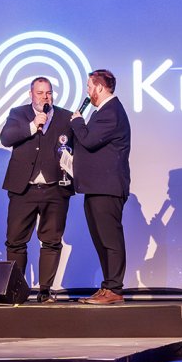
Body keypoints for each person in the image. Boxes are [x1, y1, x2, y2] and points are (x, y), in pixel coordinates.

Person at [0, 77, 74, 303]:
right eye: (40, 93)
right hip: (24, 188)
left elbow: (78, 148)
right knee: (16, 240)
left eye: (48, 93)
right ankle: (17, 290)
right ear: (31, 94)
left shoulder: (66, 116)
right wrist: (33, 125)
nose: (45, 97)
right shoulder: (18, 113)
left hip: (55, 189)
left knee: (51, 241)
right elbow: (6, 138)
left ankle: (45, 290)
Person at [70, 69, 132, 305]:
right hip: (96, 187)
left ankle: (114, 288)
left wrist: (77, 121)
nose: (87, 92)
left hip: (107, 187)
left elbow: (89, 140)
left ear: (99, 87)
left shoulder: (111, 112)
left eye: (89, 87)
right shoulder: (103, 112)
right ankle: (108, 286)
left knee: (110, 239)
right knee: (100, 239)